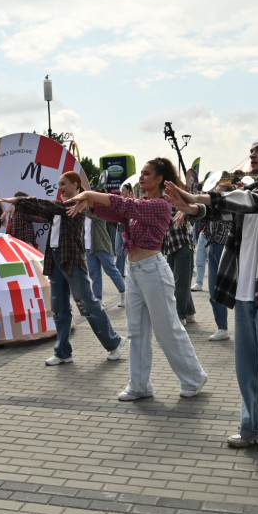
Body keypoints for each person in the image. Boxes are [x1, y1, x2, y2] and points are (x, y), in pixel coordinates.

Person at [165, 137, 258, 475]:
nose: (252, 154)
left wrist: (201, 197)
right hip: (244, 294)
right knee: (247, 371)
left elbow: (255, 202)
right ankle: (252, 428)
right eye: (251, 150)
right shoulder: (249, 192)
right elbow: (224, 210)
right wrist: (193, 208)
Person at [68, 158, 208, 401]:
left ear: (159, 179)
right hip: (134, 271)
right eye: (141, 173)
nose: (141, 177)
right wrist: (90, 204)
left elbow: (125, 205)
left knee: (167, 330)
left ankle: (194, 378)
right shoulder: (141, 203)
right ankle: (139, 385)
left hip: (153, 271)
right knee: (136, 332)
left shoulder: (161, 205)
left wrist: (90, 194)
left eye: (146, 174)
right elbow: (117, 212)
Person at [0, 173, 125, 366]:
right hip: (55, 259)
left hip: (71, 260)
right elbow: (42, 210)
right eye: (58, 185)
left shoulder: (77, 205)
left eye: (63, 184)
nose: (60, 188)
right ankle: (63, 353)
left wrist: (20, 200)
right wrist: (15, 208)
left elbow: (48, 206)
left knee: (88, 304)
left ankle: (114, 342)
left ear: (75, 185)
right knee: (59, 308)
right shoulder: (60, 207)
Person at [184, 182, 234, 341]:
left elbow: (214, 215)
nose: (215, 196)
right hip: (212, 248)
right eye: (215, 193)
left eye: (219, 193)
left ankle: (245, 327)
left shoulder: (230, 209)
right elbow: (200, 219)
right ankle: (222, 328)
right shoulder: (213, 210)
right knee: (213, 293)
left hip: (225, 249)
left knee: (236, 292)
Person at [84, 211, 126, 305]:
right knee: (94, 274)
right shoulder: (83, 212)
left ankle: (124, 292)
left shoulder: (99, 210)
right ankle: (98, 299)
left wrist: (81, 208)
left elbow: (96, 216)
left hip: (102, 244)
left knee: (110, 269)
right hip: (88, 246)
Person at [163, 211, 196, 325]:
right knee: (180, 283)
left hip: (183, 246)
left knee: (180, 284)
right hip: (171, 248)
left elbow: (193, 209)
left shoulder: (180, 206)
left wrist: (184, 211)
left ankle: (179, 316)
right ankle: (189, 313)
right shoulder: (163, 205)